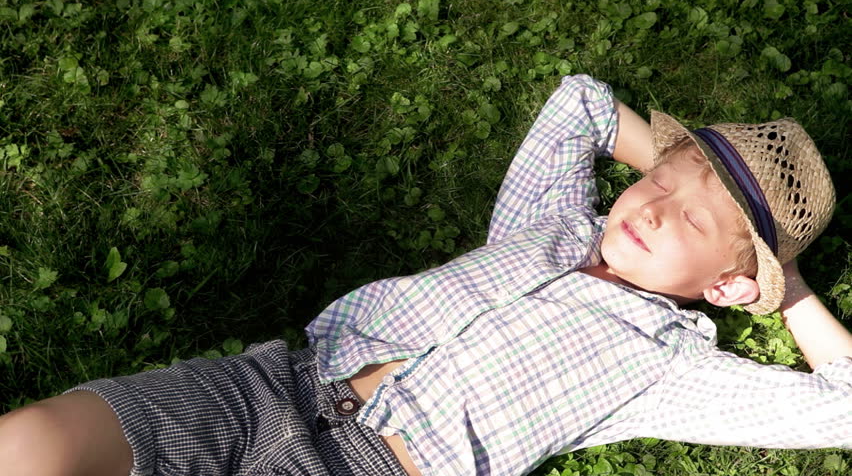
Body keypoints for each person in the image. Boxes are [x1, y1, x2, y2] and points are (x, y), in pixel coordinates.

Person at [0, 74, 849, 476]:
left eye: (692, 220)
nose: (654, 206)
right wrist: (678, 161)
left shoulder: (667, 367)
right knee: (31, 445)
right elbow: (580, 105)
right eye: (658, 181)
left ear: (730, 287)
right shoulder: (549, 227)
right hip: (276, 383)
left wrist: (785, 281)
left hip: (372, 470)